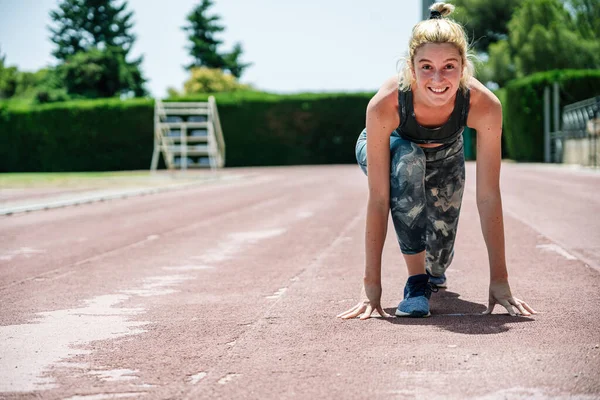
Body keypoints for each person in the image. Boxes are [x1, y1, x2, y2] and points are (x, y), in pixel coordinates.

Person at [337, 2, 537, 319]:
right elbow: (378, 199)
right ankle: (416, 284)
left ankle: (432, 270)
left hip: (447, 149)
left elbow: (488, 195)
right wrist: (369, 284)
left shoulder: (484, 105)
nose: (438, 78)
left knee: (438, 258)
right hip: (394, 146)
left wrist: (500, 280)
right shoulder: (386, 104)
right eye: (426, 66)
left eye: (449, 67)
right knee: (409, 159)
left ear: (464, 66)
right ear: (411, 66)